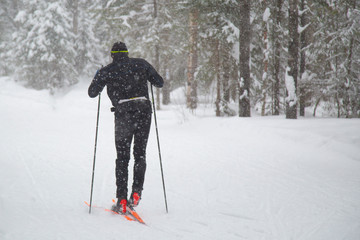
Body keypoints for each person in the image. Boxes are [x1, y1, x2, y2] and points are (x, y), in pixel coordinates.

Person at [88, 42, 163, 213]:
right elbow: (159, 82)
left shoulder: (107, 70)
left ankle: (121, 198)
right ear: (127, 53)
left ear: (112, 55)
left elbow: (92, 93)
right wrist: (146, 75)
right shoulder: (141, 64)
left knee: (123, 157)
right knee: (140, 154)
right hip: (144, 111)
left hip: (123, 114)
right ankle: (136, 192)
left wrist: (98, 75)